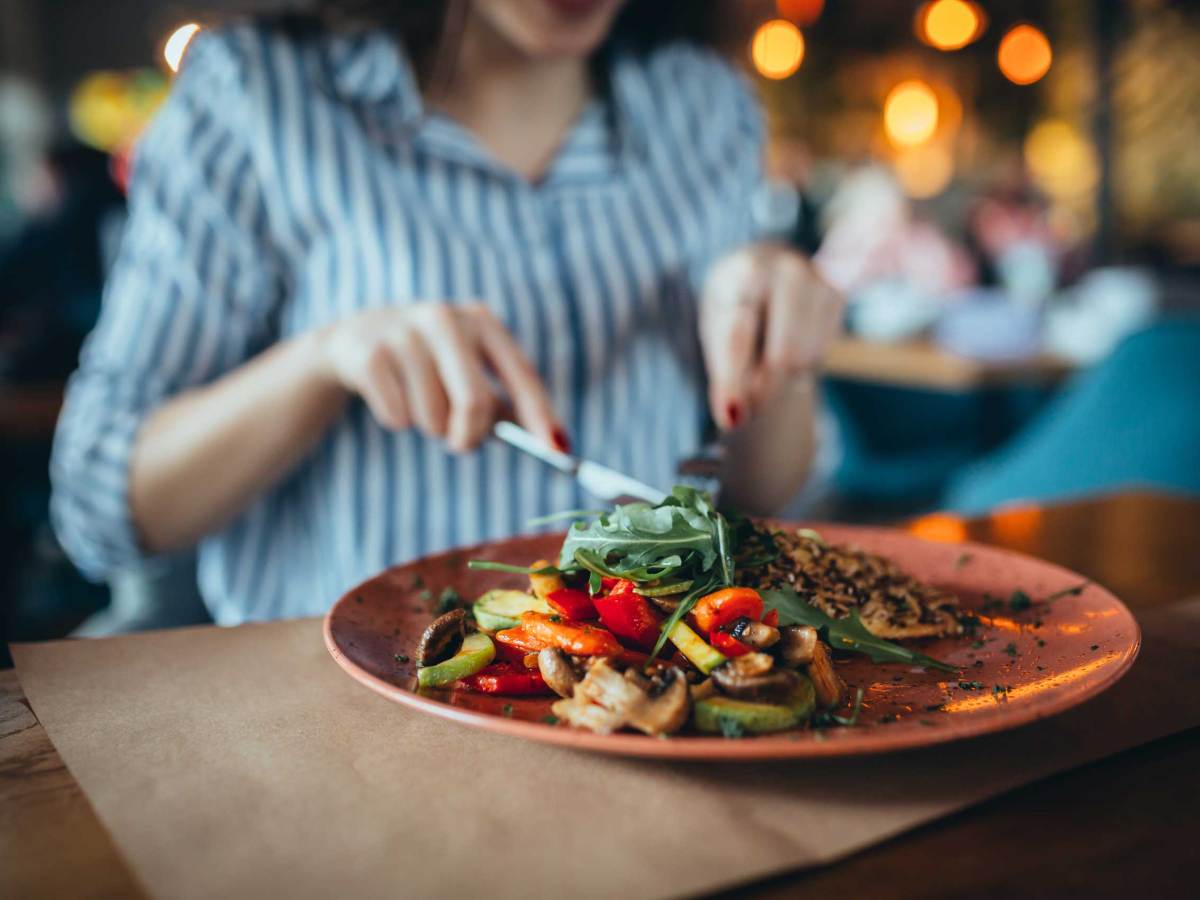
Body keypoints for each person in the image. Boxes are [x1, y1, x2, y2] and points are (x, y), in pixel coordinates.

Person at [51, 0, 842, 625]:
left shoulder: (707, 104)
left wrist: (781, 352)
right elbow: (96, 507)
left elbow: (763, 494)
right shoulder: (258, 93)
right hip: (342, 724)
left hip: (650, 709)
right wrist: (325, 359)